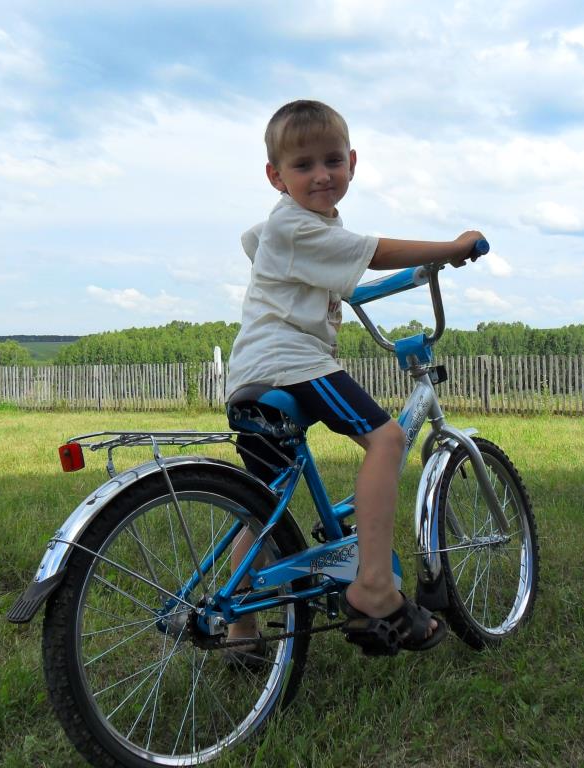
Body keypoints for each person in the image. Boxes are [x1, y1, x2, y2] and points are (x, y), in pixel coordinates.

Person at [223, 99, 483, 656]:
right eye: (303, 165)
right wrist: (454, 248)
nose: (321, 174)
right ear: (275, 176)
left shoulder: (290, 227)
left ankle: (238, 626)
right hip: (291, 363)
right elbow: (375, 251)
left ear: (352, 162)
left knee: (266, 501)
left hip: (250, 374)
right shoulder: (298, 226)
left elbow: (262, 246)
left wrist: (338, 284)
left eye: (333, 161)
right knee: (386, 439)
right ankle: (373, 586)